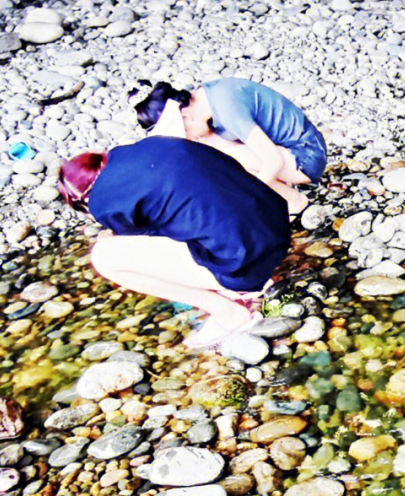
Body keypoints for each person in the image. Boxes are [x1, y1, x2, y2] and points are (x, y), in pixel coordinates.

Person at [57, 135, 291, 352]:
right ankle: (242, 285)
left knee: (103, 257)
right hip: (277, 227)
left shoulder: (101, 201)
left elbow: (150, 244)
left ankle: (229, 311)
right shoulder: (151, 144)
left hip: (245, 263)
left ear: (82, 199)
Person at [134, 77, 326, 215]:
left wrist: (249, 196)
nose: (190, 139)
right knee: (211, 152)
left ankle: (293, 200)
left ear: (185, 116)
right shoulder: (205, 97)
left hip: (307, 157)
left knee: (227, 161)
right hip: (288, 151)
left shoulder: (228, 110)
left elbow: (273, 160)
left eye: (186, 134)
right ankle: (283, 197)